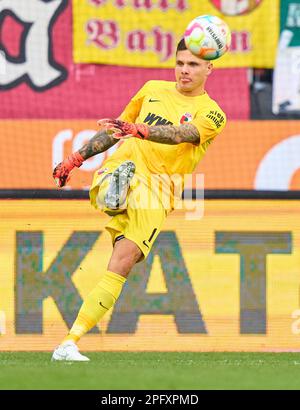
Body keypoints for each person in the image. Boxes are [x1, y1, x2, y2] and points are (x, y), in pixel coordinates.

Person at [51, 38, 226, 361]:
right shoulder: (151, 89)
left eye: (193, 65)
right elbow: (116, 130)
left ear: (209, 68)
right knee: (120, 175)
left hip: (160, 192)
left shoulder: (213, 114)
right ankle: (114, 190)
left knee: (122, 263)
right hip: (127, 169)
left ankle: (69, 342)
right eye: (180, 63)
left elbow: (182, 135)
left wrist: (141, 129)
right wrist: (75, 159)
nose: (184, 70)